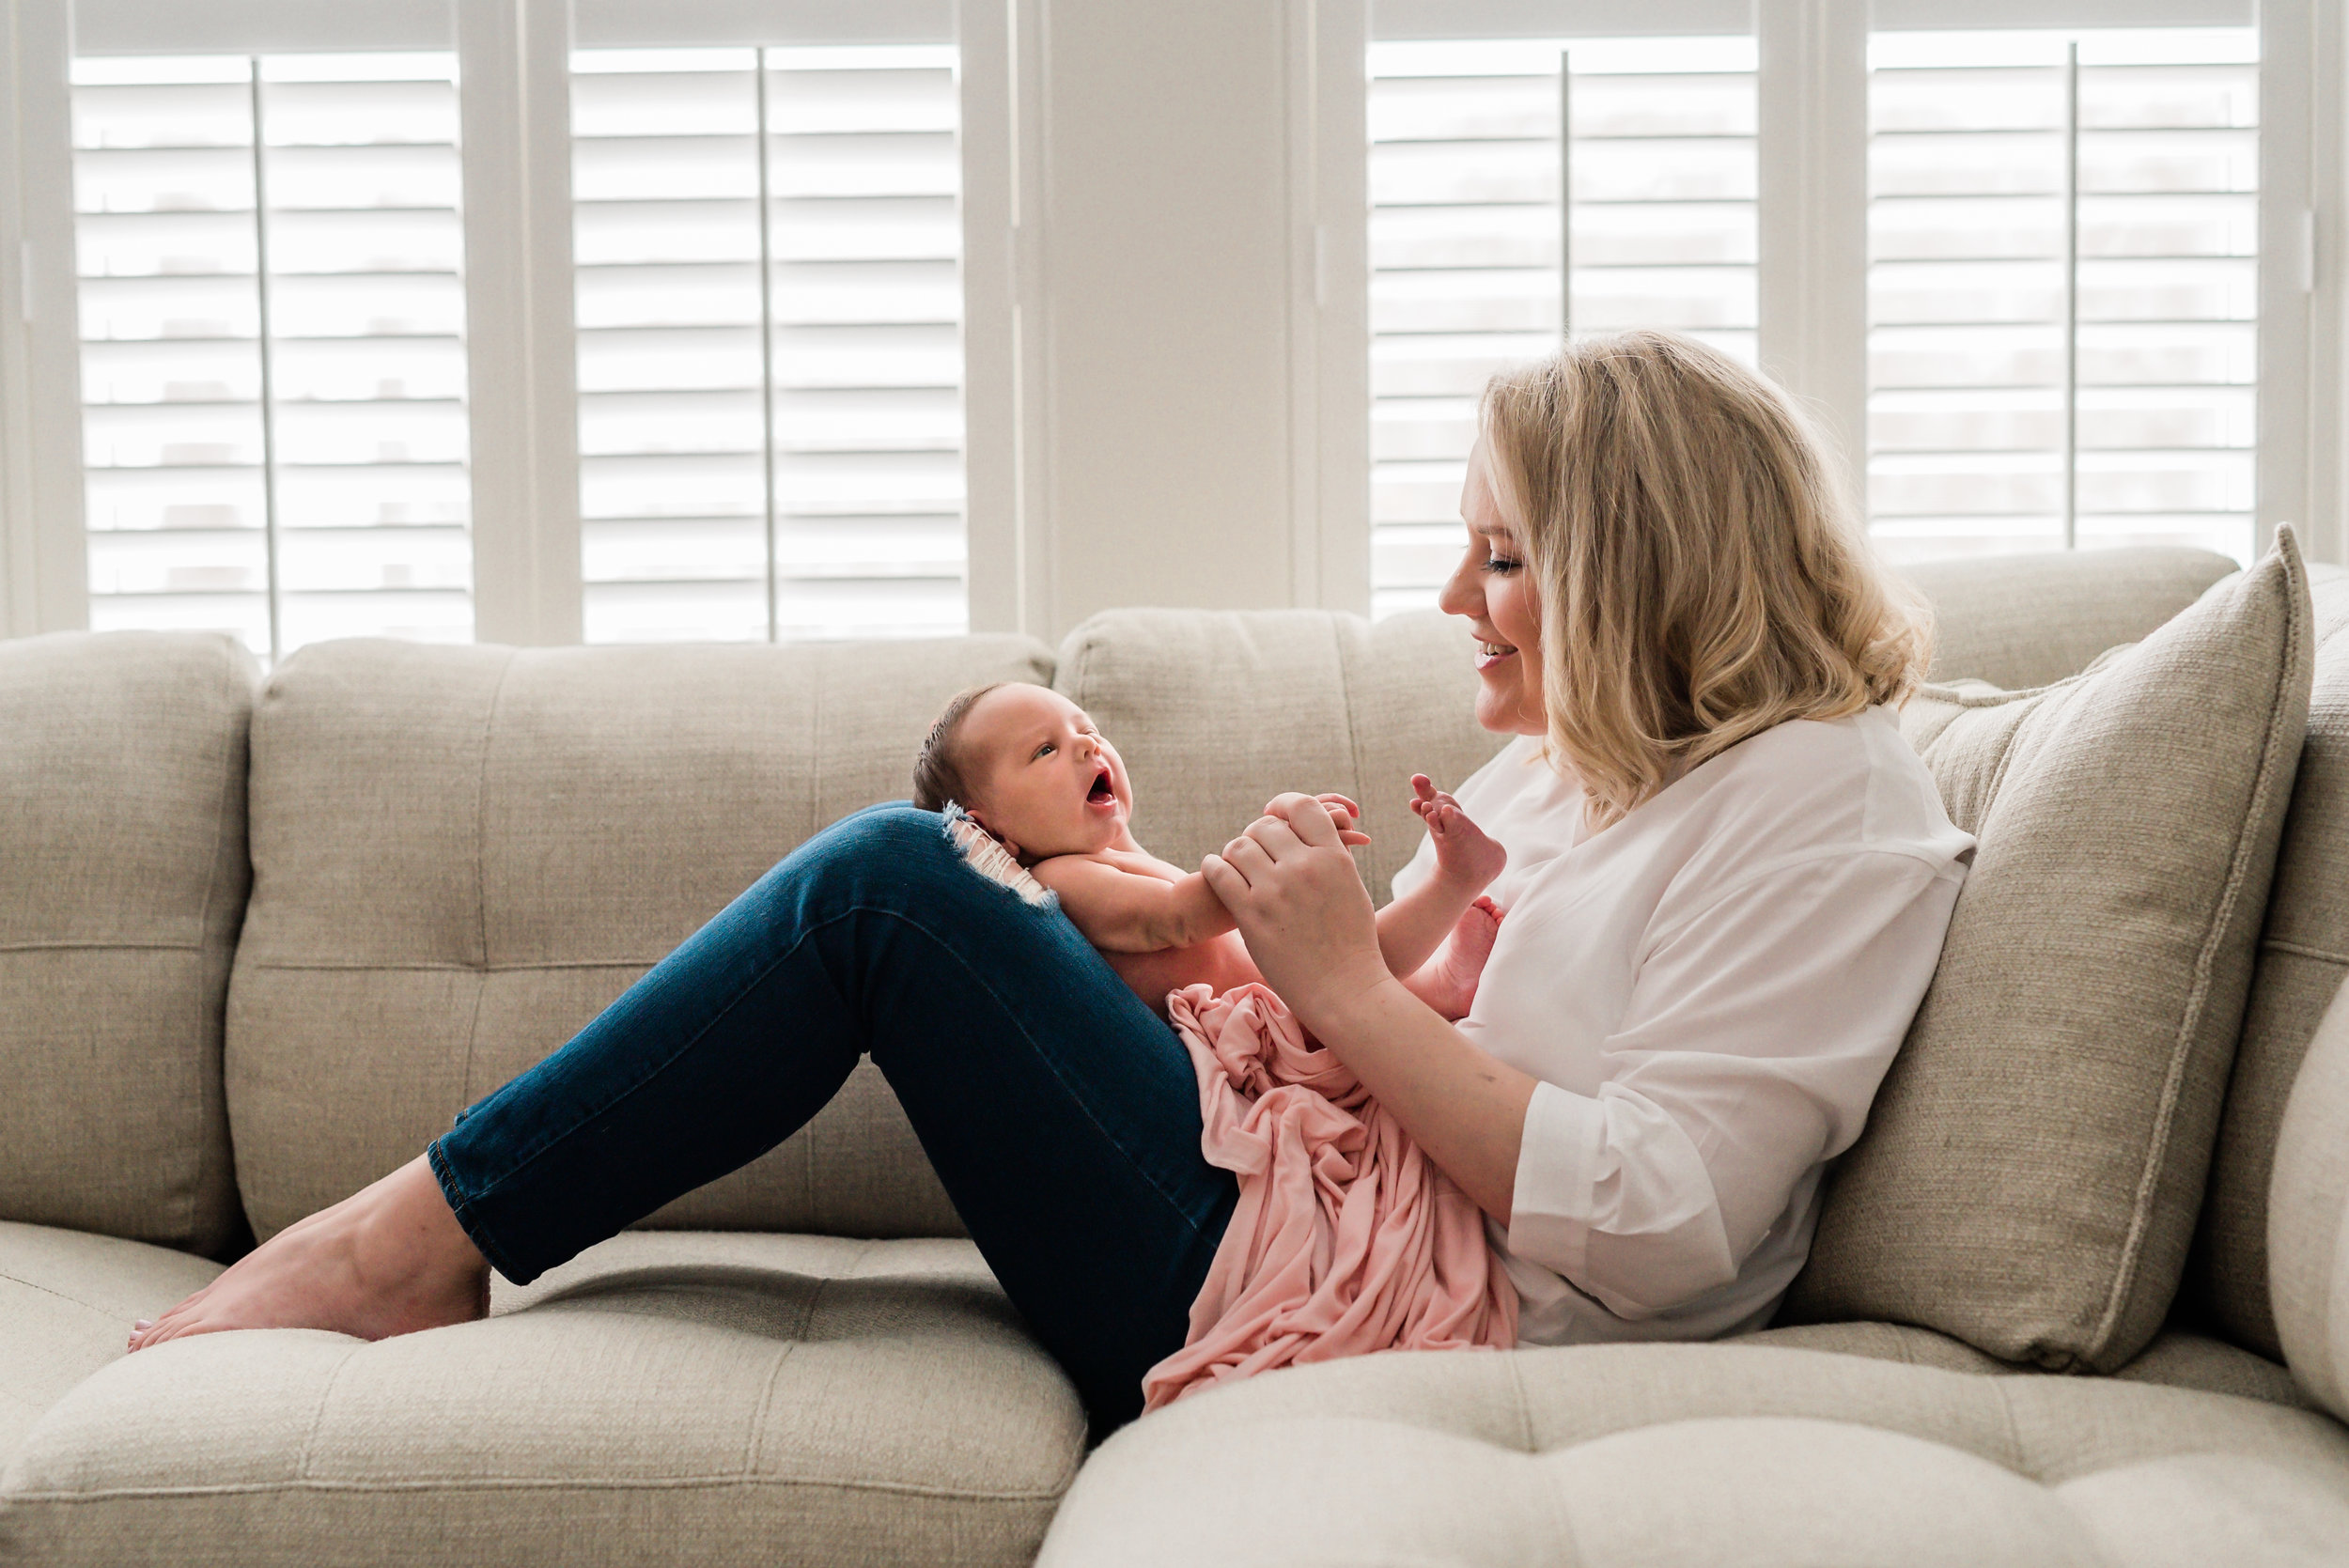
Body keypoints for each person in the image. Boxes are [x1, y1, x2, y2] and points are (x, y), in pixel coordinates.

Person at [127, 328, 1973, 1432]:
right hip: (1308, 1209)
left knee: (883, 879)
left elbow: (1663, 1214)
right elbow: (1396, 1018)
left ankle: (399, 1246)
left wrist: (1326, 976)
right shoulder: (1588, 769)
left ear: (1637, 568)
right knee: (914, 883)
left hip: (1370, 1295)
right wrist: (1305, 970)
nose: (1445, 603)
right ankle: (409, 1237)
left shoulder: (1824, 800)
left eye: (1500, 557)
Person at [906, 677, 1506, 1018]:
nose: (1088, 747)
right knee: (1352, 957)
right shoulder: (1062, 878)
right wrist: (1273, 854)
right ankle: (1443, 942)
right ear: (988, 831)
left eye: (1087, 730)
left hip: (1283, 994)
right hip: (1261, 1028)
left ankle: (1445, 939)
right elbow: (1172, 920)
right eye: (1045, 751)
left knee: (1358, 951)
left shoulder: (1117, 856)